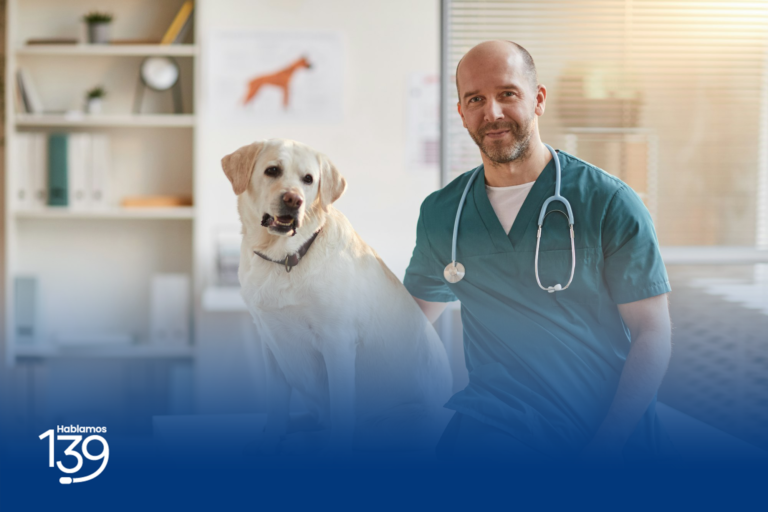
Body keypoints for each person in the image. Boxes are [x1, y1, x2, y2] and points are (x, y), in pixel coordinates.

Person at [404, 40, 674, 464]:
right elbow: (407, 324)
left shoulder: (607, 202)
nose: (492, 112)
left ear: (539, 99)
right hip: (493, 426)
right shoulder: (444, 214)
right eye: (476, 99)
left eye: (507, 94)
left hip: (600, 427)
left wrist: (607, 445)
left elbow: (652, 333)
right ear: (461, 112)